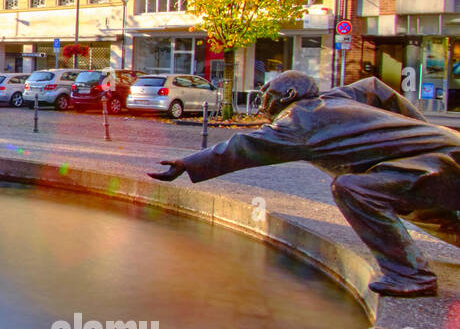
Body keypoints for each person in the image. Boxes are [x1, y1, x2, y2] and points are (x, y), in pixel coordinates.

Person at [149, 71, 460, 297]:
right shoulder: (337, 97)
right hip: (448, 149)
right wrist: (420, 129)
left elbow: (244, 146)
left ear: (288, 96)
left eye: (267, 92)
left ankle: (411, 275)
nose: (263, 98)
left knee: (355, 190)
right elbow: (377, 88)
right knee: (406, 199)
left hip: (437, 161)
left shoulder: (296, 121)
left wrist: (186, 163)